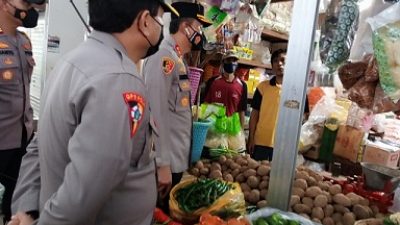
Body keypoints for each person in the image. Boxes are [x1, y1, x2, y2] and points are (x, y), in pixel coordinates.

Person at [8, 0, 178, 225]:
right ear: (145, 22)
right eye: (159, 19)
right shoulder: (119, 79)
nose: (161, 29)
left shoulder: (71, 61)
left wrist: (27, 209)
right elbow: (87, 189)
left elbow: (39, 147)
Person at [142, 1, 212, 213]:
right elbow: (155, 112)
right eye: (199, 28)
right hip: (166, 164)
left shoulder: (176, 58)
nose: (200, 34)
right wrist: (162, 164)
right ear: (185, 28)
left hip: (176, 161)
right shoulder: (163, 58)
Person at [0, 0, 44, 223]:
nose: (29, 9)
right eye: (24, 2)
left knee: (18, 201)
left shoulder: (24, 41)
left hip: (22, 140)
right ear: (5, 4)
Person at [247, 49, 309, 161]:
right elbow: (254, 114)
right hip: (261, 142)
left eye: (283, 60)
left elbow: (304, 117)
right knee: (257, 175)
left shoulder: (298, 90)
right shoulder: (262, 87)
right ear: (272, 65)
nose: (279, 64)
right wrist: (251, 138)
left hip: (284, 145)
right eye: (275, 61)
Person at [203, 50, 248, 127]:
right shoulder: (212, 81)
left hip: (231, 130)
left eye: (234, 60)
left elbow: (241, 111)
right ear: (223, 63)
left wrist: (242, 133)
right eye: (228, 60)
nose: (231, 63)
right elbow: (205, 105)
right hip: (213, 127)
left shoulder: (242, 85)